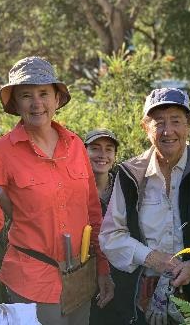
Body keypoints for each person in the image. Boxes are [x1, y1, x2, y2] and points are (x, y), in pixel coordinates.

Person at [0, 56, 114, 325]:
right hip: (31, 279)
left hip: (79, 274)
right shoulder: (0, 152)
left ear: (57, 99)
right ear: (16, 103)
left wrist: (102, 268)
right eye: (26, 95)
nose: (36, 103)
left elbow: (93, 213)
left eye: (44, 93)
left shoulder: (76, 145)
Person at [99, 87, 190, 324]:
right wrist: (151, 257)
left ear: (189, 125)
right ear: (146, 128)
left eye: (176, 121)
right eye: (159, 123)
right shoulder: (130, 174)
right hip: (141, 296)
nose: (168, 131)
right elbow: (111, 235)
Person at [84, 128, 126, 325]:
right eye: (95, 148)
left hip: (122, 275)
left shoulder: (125, 188)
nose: (102, 155)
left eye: (109, 149)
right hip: (83, 276)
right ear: (83, 152)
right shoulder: (73, 189)